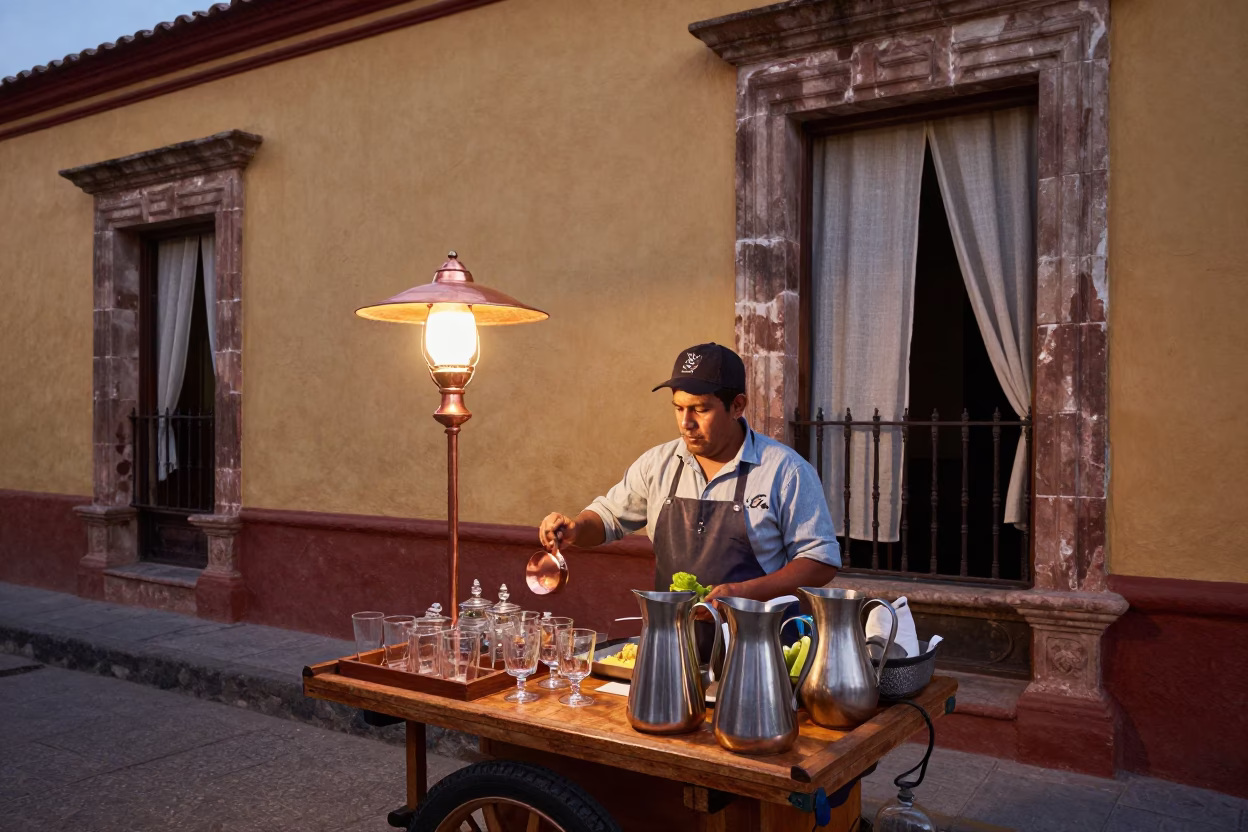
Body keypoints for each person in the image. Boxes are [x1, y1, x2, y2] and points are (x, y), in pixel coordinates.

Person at [538, 342, 840, 610]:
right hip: (675, 644)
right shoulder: (657, 464)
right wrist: (576, 528)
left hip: (756, 649)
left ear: (737, 406)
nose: (686, 423)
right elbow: (607, 519)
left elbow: (820, 561)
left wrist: (744, 594)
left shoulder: (785, 471)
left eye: (700, 409)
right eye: (679, 408)